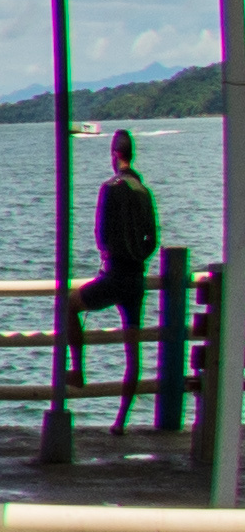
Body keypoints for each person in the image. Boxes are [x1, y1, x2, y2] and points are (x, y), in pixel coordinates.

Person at [75, 128, 168, 421]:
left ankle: (77, 370)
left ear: (115, 155)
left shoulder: (110, 187)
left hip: (114, 275)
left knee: (67, 305)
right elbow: (151, 240)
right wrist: (136, 258)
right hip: (136, 278)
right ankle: (120, 420)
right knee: (133, 349)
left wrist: (109, 257)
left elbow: (100, 233)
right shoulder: (144, 192)